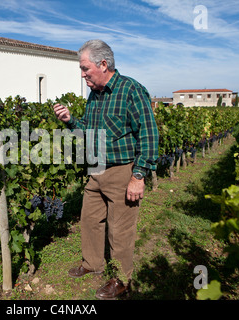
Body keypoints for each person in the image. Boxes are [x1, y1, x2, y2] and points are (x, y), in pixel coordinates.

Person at [53, 39, 159, 300]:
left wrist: (138, 175)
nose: (82, 74)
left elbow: (148, 134)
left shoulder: (131, 90)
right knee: (89, 219)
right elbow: (88, 129)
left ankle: (122, 281)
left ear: (103, 64)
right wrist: (70, 121)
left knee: (120, 229)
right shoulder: (95, 95)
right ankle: (92, 263)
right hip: (96, 169)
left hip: (122, 172)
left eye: (85, 68)